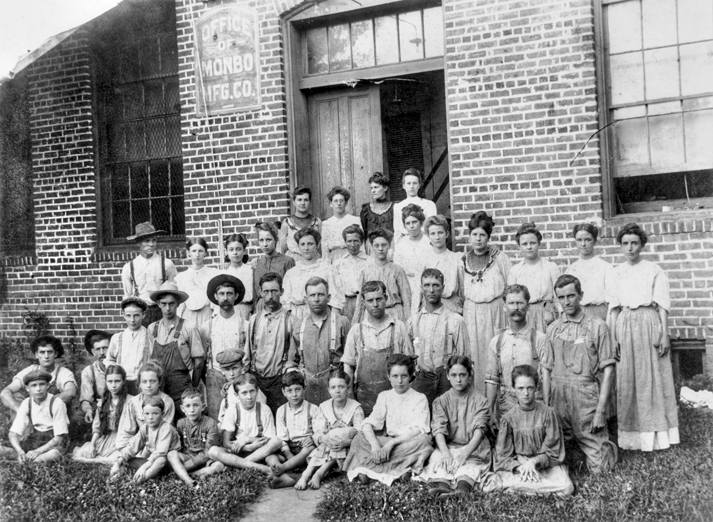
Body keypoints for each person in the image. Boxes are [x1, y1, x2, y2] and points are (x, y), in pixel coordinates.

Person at [608, 223, 679, 452]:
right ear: (620, 246)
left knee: (652, 379)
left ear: (642, 245)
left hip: (649, 323)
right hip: (625, 325)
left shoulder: (653, 269)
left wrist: (664, 334)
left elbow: (662, 306)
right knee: (628, 378)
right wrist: (613, 338)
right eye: (625, 243)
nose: (630, 248)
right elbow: (614, 308)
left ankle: (656, 435)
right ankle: (632, 438)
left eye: (634, 243)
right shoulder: (616, 272)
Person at [545, 274, 618, 473]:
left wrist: (601, 411)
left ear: (581, 295)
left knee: (601, 469)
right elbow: (546, 369)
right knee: (559, 461)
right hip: (559, 397)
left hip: (586, 398)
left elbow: (609, 370)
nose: (566, 302)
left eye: (571, 296)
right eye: (561, 298)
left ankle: (604, 449)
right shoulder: (552, 329)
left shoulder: (597, 326)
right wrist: (547, 406)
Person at [343, 354, 433, 486]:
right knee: (359, 438)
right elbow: (368, 423)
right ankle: (396, 469)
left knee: (424, 441)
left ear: (410, 376)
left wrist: (391, 445)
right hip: (387, 442)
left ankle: (374, 470)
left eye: (404, 376)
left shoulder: (419, 398)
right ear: (388, 376)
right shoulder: (385, 396)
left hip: (407, 443)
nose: (400, 381)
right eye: (395, 376)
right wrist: (375, 445)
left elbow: (419, 430)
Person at [415, 356, 497, 496]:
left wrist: (464, 454)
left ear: (470, 376)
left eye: (462, 375)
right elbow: (439, 430)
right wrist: (446, 454)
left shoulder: (480, 401)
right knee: (439, 461)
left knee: (468, 467)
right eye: (454, 375)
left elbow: (480, 431)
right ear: (447, 376)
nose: (458, 380)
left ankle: (462, 490)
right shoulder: (441, 401)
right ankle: (443, 488)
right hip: (449, 447)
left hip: (473, 448)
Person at [494, 365, 574, 496]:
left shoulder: (548, 413)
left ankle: (523, 489)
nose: (525, 393)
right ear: (513, 389)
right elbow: (503, 456)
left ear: (536, 388)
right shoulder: (508, 419)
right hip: (520, 465)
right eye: (520, 388)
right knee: (499, 482)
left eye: (529, 388)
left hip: (545, 465)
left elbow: (553, 451)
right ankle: (537, 487)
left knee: (567, 487)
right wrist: (522, 467)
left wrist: (534, 462)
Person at [342, 281, 414, 415]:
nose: (375, 304)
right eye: (370, 300)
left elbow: (409, 366)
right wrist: (351, 399)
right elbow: (348, 369)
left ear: (386, 298)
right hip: (363, 400)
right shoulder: (356, 330)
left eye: (379, 299)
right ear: (363, 302)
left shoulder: (399, 327)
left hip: (395, 401)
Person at [460, 211, 511, 394]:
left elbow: (510, 286)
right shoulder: (463, 261)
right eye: (474, 234)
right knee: (474, 357)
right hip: (471, 313)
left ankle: (496, 405)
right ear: (469, 236)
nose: (478, 239)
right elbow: (460, 291)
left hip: (495, 312)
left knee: (494, 356)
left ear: (488, 237)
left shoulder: (499, 258)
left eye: (482, 235)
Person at [485, 285, 550, 425]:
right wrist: (490, 411)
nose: (516, 307)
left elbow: (547, 378)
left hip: (534, 404)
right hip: (506, 405)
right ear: (504, 307)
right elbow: (492, 379)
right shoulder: (496, 342)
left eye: (520, 303)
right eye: (511, 303)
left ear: (528, 307)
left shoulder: (540, 339)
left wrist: (547, 409)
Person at [295, 369, 364, 490]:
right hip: (326, 445)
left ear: (348, 389)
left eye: (341, 387)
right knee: (328, 441)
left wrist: (346, 442)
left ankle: (319, 473)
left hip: (347, 446)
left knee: (339, 436)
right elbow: (318, 432)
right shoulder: (324, 407)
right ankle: (306, 475)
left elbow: (361, 434)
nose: (337, 391)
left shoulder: (356, 408)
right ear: (328, 390)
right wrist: (324, 438)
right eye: (333, 387)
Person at [408, 269, 469, 406]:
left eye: (436, 285)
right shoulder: (413, 321)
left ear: (443, 288)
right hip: (422, 381)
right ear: (421, 288)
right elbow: (408, 355)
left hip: (447, 381)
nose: (431, 290)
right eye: (427, 285)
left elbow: (465, 358)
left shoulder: (455, 320)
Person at [288, 277, 350, 406]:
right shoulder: (299, 325)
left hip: (335, 390)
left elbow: (350, 359)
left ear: (328, 297)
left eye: (321, 294)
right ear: (306, 299)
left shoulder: (341, 322)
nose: (316, 299)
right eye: (312, 295)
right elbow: (292, 362)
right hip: (308, 390)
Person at [208, 373, 282, 475]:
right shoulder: (233, 410)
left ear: (257, 391)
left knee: (276, 441)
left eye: (252, 391)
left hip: (259, 452)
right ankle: (258, 467)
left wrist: (247, 440)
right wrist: (247, 447)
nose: (249, 397)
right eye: (244, 393)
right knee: (213, 451)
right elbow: (226, 443)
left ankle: (237, 467)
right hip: (238, 452)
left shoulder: (264, 409)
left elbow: (268, 439)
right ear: (237, 395)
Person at [148, 281, 205, 412]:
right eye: (164, 304)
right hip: (159, 386)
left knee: (183, 422)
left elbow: (199, 362)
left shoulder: (188, 327)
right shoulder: (152, 329)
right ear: (158, 304)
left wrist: (194, 386)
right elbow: (149, 361)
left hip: (182, 386)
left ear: (178, 304)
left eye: (171, 304)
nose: (168, 308)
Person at [198, 274, 248, 420]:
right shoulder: (206, 327)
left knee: (240, 417)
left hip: (238, 377)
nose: (225, 297)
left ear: (236, 296)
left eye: (229, 294)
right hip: (216, 377)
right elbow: (201, 358)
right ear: (215, 296)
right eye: (221, 294)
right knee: (216, 418)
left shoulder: (245, 325)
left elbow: (249, 355)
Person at [245, 272, 294, 413]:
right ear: (260, 292)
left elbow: (293, 357)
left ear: (281, 292)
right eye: (266, 292)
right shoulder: (254, 320)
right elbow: (248, 353)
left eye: (274, 291)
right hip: (258, 380)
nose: (270, 296)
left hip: (280, 381)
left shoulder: (290, 320)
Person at [0, 369, 69, 462]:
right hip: (34, 440)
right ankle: (24, 457)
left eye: (42, 384)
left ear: (48, 386)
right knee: (2, 449)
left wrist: (38, 451)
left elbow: (59, 437)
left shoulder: (57, 403)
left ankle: (32, 461)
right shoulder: (26, 403)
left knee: (53, 454)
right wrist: (19, 450)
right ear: (28, 388)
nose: (38, 389)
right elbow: (13, 433)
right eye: (34, 385)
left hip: (52, 442)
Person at [111, 395, 181, 483]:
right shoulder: (145, 428)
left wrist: (144, 467)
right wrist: (119, 461)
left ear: (162, 414)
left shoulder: (166, 428)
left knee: (161, 460)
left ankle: (139, 480)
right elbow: (132, 447)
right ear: (143, 414)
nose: (151, 417)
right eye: (147, 414)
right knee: (126, 460)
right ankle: (117, 474)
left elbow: (161, 452)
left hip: (169, 462)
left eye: (155, 413)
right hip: (152, 461)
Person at [1, 335, 77, 414]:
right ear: (36, 355)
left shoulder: (63, 372)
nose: (46, 356)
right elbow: (5, 392)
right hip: (33, 415)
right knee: (16, 396)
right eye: (42, 352)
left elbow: (70, 392)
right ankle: (23, 424)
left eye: (50, 352)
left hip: (55, 415)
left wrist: (43, 405)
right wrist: (20, 410)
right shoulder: (31, 370)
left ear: (55, 354)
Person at [281, 227, 344, 321]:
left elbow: (336, 301)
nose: (306, 248)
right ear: (298, 247)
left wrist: (333, 323)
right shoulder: (291, 273)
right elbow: (286, 304)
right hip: (297, 318)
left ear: (317, 246)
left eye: (310, 244)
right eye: (302, 244)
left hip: (323, 316)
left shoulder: (327, 269)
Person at [72, 365, 131, 465]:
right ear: (106, 382)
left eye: (117, 381)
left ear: (124, 381)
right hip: (106, 438)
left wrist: (115, 448)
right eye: (110, 381)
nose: (113, 385)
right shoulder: (104, 402)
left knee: (116, 458)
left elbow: (131, 432)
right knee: (84, 454)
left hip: (124, 441)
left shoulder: (131, 402)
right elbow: (97, 428)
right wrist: (92, 444)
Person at [121, 222, 177, 326]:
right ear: (138, 243)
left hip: (162, 311)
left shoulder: (167, 264)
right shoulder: (129, 267)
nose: (151, 244)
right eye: (147, 241)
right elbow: (127, 295)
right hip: (141, 312)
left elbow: (174, 290)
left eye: (154, 240)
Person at [507, 223, 561, 333]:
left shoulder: (551, 267)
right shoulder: (515, 270)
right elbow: (512, 299)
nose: (529, 247)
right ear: (519, 246)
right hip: (524, 315)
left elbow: (558, 298)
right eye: (524, 244)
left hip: (548, 315)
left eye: (533, 243)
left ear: (539, 244)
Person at [268, 372, 317, 488]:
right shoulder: (281, 411)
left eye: (298, 389)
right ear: (283, 392)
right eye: (289, 391)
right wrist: (289, 454)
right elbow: (281, 438)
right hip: (288, 449)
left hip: (306, 448)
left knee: (310, 449)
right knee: (270, 456)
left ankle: (283, 469)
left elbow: (319, 431)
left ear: (304, 389)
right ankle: (283, 477)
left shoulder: (313, 409)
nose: (294, 394)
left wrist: (312, 438)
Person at [352, 229, 411, 324]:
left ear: (389, 246)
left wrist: (409, 322)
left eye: (384, 245)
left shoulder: (397, 270)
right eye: (376, 245)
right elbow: (360, 301)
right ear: (371, 247)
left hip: (394, 313)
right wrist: (356, 323)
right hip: (373, 314)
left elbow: (406, 298)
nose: (380, 249)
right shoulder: (365, 273)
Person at [115, 361, 175, 450]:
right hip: (139, 446)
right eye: (144, 381)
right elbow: (125, 433)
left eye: (153, 381)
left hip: (160, 446)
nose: (148, 385)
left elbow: (165, 432)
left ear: (159, 382)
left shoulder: (167, 402)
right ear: (139, 384)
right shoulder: (133, 402)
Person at [167, 387, 222, 485]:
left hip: (206, 458)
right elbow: (179, 447)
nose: (192, 410)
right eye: (188, 406)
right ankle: (188, 478)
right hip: (188, 456)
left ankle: (186, 474)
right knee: (171, 454)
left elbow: (208, 451)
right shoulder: (181, 423)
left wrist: (188, 465)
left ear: (203, 406)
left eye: (196, 405)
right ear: (182, 409)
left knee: (218, 465)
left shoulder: (210, 423)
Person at [566, 223, 614, 322]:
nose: (583, 244)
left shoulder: (605, 267)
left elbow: (612, 300)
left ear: (594, 241)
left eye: (587, 240)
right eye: (579, 240)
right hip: (578, 313)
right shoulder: (571, 269)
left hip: (600, 314)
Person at [104, 297, 153, 395]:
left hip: (143, 384)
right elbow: (109, 360)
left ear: (143, 315)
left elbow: (155, 362)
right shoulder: (117, 338)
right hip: (122, 384)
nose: (132, 320)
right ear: (123, 315)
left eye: (136, 315)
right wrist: (116, 374)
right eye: (128, 315)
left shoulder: (150, 337)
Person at [393, 204, 430, 316]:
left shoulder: (428, 242)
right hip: (407, 286)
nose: (411, 226)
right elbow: (397, 269)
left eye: (414, 222)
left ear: (421, 222)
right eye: (408, 223)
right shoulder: (401, 244)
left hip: (425, 286)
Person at [213, 349, 268, 425]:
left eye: (235, 368)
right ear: (222, 371)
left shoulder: (250, 386)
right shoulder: (228, 389)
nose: (231, 374)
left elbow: (262, 412)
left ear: (242, 367)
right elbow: (223, 417)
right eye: (227, 370)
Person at [175, 238, 220, 326]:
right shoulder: (181, 277)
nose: (197, 255)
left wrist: (216, 315)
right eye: (194, 251)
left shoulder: (213, 273)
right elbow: (180, 305)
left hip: (207, 315)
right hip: (188, 317)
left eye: (200, 251)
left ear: (205, 253)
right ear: (189, 253)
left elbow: (216, 299)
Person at [423, 215, 464, 314]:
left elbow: (463, 291)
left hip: (453, 309)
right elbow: (419, 292)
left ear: (447, 234)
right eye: (433, 233)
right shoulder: (425, 260)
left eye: (440, 233)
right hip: (431, 309)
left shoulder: (456, 259)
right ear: (428, 236)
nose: (437, 237)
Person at [252, 221, 296, 313]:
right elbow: (255, 293)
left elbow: (292, 289)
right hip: (262, 307)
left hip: (282, 306)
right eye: (261, 240)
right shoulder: (257, 263)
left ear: (276, 240)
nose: (265, 244)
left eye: (268, 240)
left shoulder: (287, 261)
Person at [332, 225, 369, 323]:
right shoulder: (339, 263)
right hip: (344, 303)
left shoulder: (369, 262)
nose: (352, 244)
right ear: (345, 242)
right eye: (349, 241)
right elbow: (336, 289)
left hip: (362, 303)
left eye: (356, 241)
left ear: (361, 242)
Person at [392, 168, 438, 245]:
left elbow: (431, 228)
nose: (412, 186)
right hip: (406, 244)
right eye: (408, 183)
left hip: (424, 243)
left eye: (415, 183)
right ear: (403, 186)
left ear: (419, 185)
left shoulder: (429, 204)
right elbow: (398, 231)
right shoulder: (398, 206)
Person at [280, 185, 322, 263]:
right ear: (294, 202)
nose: (302, 203)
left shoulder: (316, 222)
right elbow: (282, 248)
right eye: (299, 200)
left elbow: (320, 247)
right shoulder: (287, 223)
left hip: (313, 260)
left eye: (306, 200)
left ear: (310, 202)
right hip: (293, 260)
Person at [321, 187, 363, 263]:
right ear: (331, 204)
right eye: (335, 201)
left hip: (352, 257)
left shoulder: (355, 220)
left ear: (346, 203)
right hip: (334, 258)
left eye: (341, 201)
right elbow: (324, 249)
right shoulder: (326, 224)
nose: (339, 204)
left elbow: (361, 245)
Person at [78, 330, 112, 424]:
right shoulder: (89, 372)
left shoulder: (120, 367)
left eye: (105, 348)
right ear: (93, 352)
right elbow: (86, 400)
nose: (102, 352)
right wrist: (88, 410)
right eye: (98, 349)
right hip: (101, 411)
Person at [360, 172, 394, 254]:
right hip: (371, 248)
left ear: (385, 188)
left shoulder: (394, 207)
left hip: (389, 247)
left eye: (376, 187)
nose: (373, 191)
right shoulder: (366, 210)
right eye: (371, 188)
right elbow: (363, 232)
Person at [223, 233, 254, 320]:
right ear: (226, 251)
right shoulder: (224, 272)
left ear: (244, 251)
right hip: (230, 311)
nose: (235, 253)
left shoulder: (251, 270)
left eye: (239, 249)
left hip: (249, 311)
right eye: (231, 249)